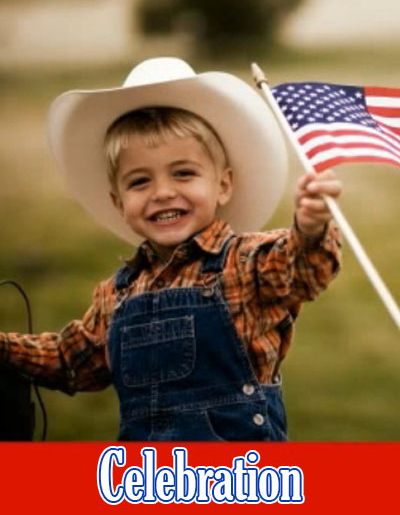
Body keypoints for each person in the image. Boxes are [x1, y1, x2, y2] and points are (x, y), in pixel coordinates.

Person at [0, 57, 342, 441]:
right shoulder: (117, 294)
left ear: (223, 185)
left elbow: (298, 269)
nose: (162, 193)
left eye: (183, 173)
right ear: (119, 203)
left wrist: (311, 230)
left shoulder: (244, 264)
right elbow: (72, 359)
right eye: (140, 181)